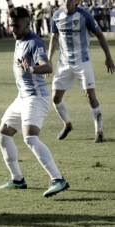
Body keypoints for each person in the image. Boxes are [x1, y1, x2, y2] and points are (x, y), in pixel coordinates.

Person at [0, 0, 69, 198]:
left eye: (16, 26)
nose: (13, 29)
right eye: (11, 25)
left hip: (36, 97)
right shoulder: (20, 37)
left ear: (29, 24)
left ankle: (58, 179)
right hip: (22, 97)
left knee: (29, 137)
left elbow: (47, 67)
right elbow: (14, 13)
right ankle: (17, 179)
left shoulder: (34, 42)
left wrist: (30, 69)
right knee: (2, 134)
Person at [48, 0, 115, 143]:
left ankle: (99, 132)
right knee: (55, 97)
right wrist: (49, 59)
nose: (67, 1)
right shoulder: (57, 15)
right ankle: (67, 124)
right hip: (64, 63)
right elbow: (54, 37)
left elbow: (100, 35)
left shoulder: (85, 15)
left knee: (90, 96)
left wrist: (108, 57)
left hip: (83, 61)